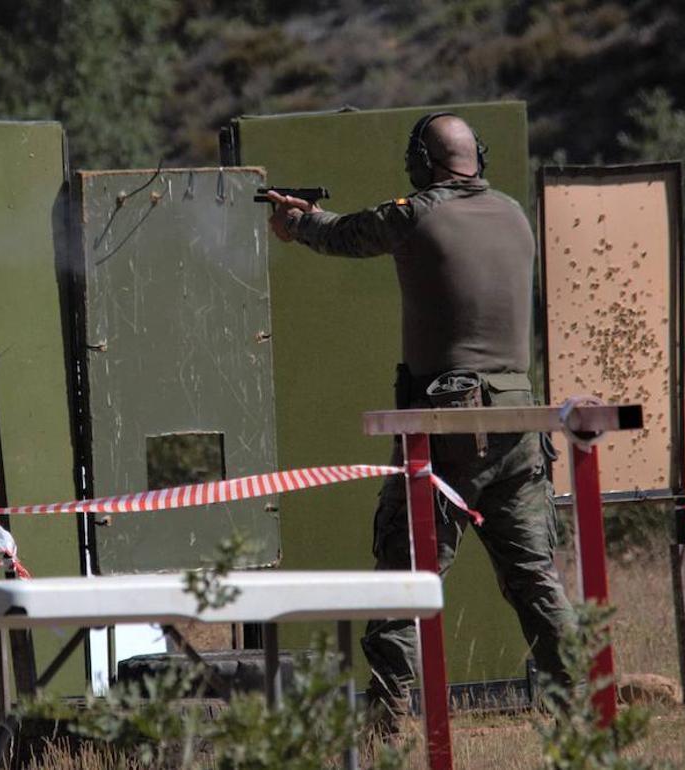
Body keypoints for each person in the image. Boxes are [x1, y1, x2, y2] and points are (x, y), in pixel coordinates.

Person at [266, 112, 576, 715]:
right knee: (536, 577)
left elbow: (348, 233)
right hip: (517, 420)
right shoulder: (514, 215)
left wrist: (297, 222)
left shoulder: (417, 212)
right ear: (476, 158)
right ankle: (582, 706)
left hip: (444, 418)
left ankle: (386, 713)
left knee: (405, 570)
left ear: (424, 162)